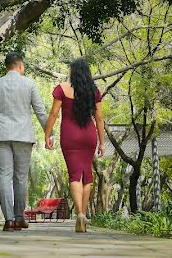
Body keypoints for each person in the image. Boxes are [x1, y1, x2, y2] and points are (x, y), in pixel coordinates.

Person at [0, 51, 49, 231]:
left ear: (6, 66)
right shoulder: (30, 84)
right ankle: (19, 217)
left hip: (1, 136)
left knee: (4, 177)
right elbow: (41, 111)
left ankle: (9, 220)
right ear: (20, 66)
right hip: (24, 137)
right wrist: (49, 134)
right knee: (20, 178)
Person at [44, 58, 105, 233]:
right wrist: (102, 142)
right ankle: (83, 213)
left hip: (69, 136)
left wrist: (47, 135)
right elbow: (99, 118)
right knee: (87, 175)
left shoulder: (62, 89)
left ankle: (79, 214)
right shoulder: (94, 91)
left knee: (74, 175)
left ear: (72, 71)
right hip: (88, 136)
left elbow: (54, 114)